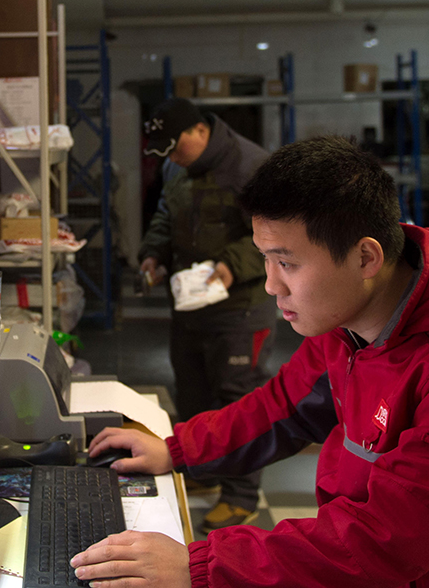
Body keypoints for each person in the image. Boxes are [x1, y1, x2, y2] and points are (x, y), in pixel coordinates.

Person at [71, 135, 429, 587]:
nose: (271, 285)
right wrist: (176, 450)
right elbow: (282, 406)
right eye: (266, 259)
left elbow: (387, 539)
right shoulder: (352, 317)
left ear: (365, 258)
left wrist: (200, 566)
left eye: (287, 263)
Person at [137, 97, 277, 532]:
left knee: (239, 399)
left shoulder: (252, 166)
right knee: (193, 395)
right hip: (191, 307)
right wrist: (153, 254)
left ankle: (240, 495)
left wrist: (233, 265)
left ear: (200, 130)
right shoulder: (174, 165)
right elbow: (165, 213)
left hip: (240, 310)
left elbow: (278, 232)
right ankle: (202, 470)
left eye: (175, 147)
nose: (171, 158)